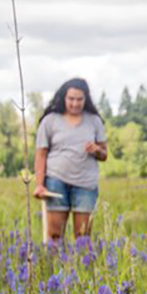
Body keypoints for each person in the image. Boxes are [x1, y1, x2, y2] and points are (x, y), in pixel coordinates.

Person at [32, 78, 107, 241]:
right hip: (55, 182)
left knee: (83, 237)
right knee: (54, 236)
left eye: (79, 99)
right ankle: (52, 266)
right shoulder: (50, 120)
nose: (75, 103)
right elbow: (41, 154)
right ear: (63, 98)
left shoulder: (94, 121)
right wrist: (39, 184)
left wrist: (97, 150)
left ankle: (83, 266)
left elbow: (104, 154)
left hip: (86, 184)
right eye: (71, 99)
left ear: (85, 99)